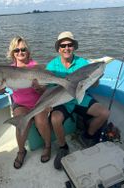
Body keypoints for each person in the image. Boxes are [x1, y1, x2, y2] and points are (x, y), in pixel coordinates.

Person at [46, 31, 110, 170]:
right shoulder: (51, 66)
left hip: (80, 97)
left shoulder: (82, 63)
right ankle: (63, 147)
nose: (66, 48)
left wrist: (95, 78)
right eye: (63, 45)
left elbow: (94, 85)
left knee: (104, 113)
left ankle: (87, 135)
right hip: (62, 100)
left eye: (70, 45)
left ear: (74, 46)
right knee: (55, 119)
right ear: (58, 48)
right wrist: (48, 104)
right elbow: (49, 89)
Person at [0, 36, 51, 169]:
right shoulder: (7, 70)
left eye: (23, 49)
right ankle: (21, 151)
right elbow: (1, 90)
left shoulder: (35, 67)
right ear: (12, 53)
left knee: (41, 122)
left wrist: (39, 88)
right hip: (20, 104)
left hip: (39, 101)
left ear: (28, 51)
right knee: (21, 122)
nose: (20, 52)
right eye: (16, 50)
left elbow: (45, 90)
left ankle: (48, 145)